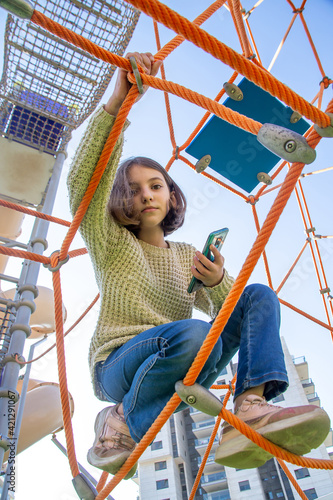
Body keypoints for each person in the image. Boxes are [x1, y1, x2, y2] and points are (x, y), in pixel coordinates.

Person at [67, 52, 330, 476]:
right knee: (192, 332)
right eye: (134, 190)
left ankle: (250, 405)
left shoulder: (187, 254)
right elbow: (83, 183)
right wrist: (118, 102)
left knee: (256, 294)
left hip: (184, 359)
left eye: (156, 186)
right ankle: (119, 419)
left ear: (171, 195)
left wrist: (219, 279)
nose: (147, 195)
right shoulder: (111, 240)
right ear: (120, 201)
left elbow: (227, 314)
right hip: (119, 365)